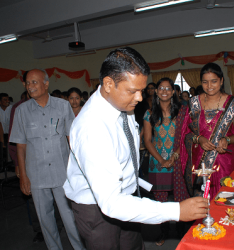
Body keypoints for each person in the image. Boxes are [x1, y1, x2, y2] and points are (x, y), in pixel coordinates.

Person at [63, 47, 208, 250]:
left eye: (141, 90)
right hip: (98, 208)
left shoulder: (123, 105)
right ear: (108, 84)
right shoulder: (92, 128)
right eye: (132, 91)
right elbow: (111, 203)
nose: (140, 98)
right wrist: (176, 211)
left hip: (128, 196)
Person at [10, 69, 84, 250]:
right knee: (45, 219)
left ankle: (79, 248)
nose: (30, 86)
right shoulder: (21, 110)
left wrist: (78, 169)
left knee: (70, 217)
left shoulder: (62, 106)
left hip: (62, 173)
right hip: (36, 175)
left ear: (46, 84)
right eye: (27, 83)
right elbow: (20, 145)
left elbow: (71, 139)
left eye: (34, 82)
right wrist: (24, 176)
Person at [180, 62, 234, 200]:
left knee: (224, 200)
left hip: (223, 163)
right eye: (205, 82)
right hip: (199, 163)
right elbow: (185, 133)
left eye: (214, 81)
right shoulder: (194, 103)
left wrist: (227, 139)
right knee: (201, 203)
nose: (209, 86)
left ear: (221, 81)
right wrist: (199, 139)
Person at [143, 77, 189, 245]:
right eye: (161, 88)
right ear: (156, 91)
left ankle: (180, 231)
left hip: (177, 162)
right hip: (157, 164)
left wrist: (173, 157)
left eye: (168, 88)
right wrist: (162, 160)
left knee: (180, 200)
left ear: (173, 92)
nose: (164, 91)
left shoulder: (182, 112)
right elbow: (147, 141)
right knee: (160, 203)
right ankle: (162, 232)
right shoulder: (149, 114)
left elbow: (185, 137)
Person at [0, 93, 13, 158]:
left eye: (8, 99)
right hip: (1, 135)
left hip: (11, 135)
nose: (7, 101)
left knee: (11, 153)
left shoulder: (12, 108)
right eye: (5, 100)